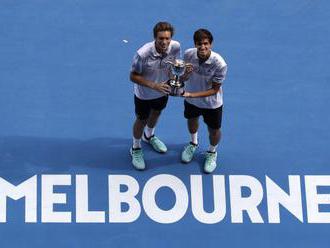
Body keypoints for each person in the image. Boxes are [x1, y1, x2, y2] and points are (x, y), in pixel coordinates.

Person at [129, 22, 181, 170]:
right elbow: (133, 76)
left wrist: (174, 80)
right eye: (161, 39)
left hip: (163, 90)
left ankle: (149, 136)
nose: (164, 42)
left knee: (157, 112)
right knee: (142, 119)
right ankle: (136, 147)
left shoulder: (176, 46)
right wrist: (154, 85)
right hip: (144, 94)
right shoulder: (142, 54)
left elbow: (174, 66)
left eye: (167, 38)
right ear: (154, 38)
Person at [181, 28, 228, 173]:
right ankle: (193, 143)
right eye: (199, 44)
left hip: (211, 104)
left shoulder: (220, 64)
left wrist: (191, 95)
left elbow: (214, 90)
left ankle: (212, 152)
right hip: (191, 100)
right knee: (192, 121)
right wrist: (185, 75)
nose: (203, 47)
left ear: (211, 44)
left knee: (214, 130)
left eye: (206, 43)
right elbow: (182, 77)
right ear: (195, 44)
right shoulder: (188, 54)